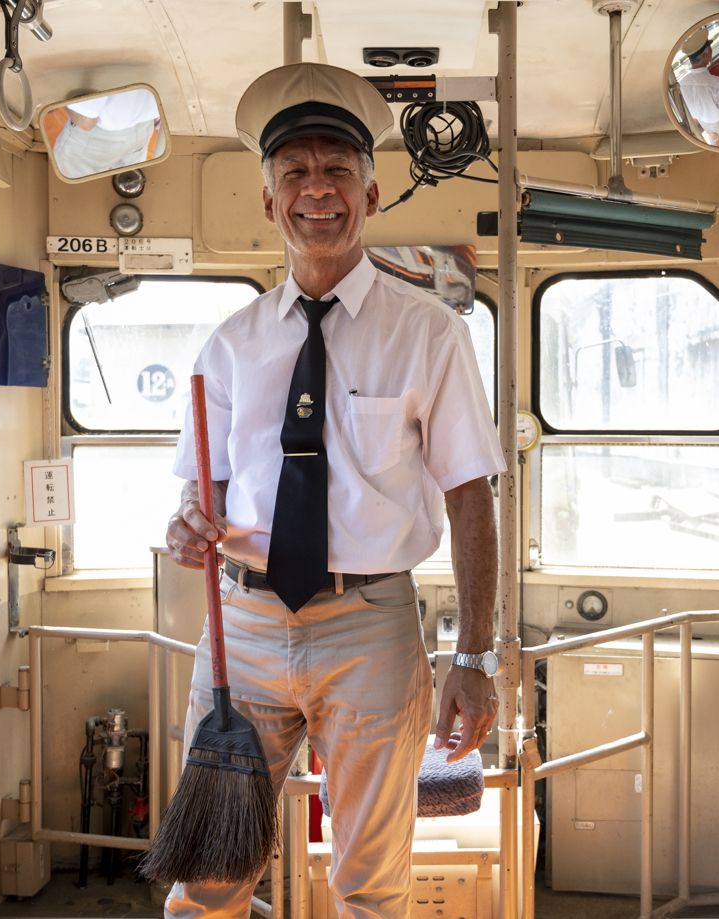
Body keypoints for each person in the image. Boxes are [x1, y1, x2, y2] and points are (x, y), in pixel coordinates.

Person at [162, 62, 505, 918]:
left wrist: (473, 657)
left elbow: (470, 497)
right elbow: (197, 501)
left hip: (371, 628)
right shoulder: (231, 344)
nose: (318, 190)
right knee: (207, 880)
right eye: (296, 175)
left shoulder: (430, 334)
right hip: (240, 626)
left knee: (370, 885)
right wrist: (186, 527)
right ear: (269, 202)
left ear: (372, 192)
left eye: (337, 171)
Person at [50, 87, 166, 179]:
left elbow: (85, 121)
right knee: (128, 187)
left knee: (77, 195)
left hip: (98, 135)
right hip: (143, 127)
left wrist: (58, 97)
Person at [676, 32, 719, 147]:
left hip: (703, 123)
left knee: (712, 139)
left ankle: (715, 151)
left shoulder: (682, 83)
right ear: (706, 54)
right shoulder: (718, 85)